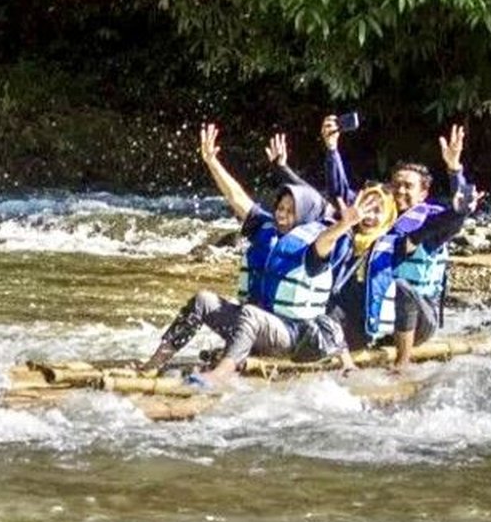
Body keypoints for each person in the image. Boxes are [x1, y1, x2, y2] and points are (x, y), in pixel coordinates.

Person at [140, 124, 357, 384]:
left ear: (305, 217)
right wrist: (211, 161)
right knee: (203, 300)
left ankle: (220, 374)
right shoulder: (265, 228)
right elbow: (236, 197)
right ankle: (154, 364)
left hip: (292, 336)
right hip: (255, 328)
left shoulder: (314, 248)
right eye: (280, 207)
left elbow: (328, 237)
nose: (281, 213)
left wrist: (345, 224)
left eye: (290, 211)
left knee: (251, 314)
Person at [319, 118, 481, 369]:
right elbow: (341, 196)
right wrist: (331, 149)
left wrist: (454, 170)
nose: (400, 191)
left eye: (408, 186)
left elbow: (455, 216)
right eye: (396, 185)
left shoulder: (431, 220)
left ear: (423, 193)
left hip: (419, 319)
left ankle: (402, 365)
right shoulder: (380, 211)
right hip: (378, 317)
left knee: (403, 289)